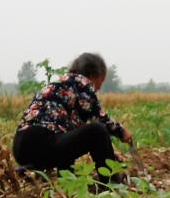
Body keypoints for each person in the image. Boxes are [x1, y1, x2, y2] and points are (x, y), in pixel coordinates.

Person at [12, 53, 131, 183]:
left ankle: (66, 181)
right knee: (97, 131)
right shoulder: (82, 82)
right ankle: (111, 182)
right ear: (92, 75)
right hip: (42, 142)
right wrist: (121, 132)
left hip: (21, 147)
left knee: (68, 134)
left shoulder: (60, 83)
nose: (99, 88)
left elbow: (72, 136)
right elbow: (100, 118)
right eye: (101, 81)